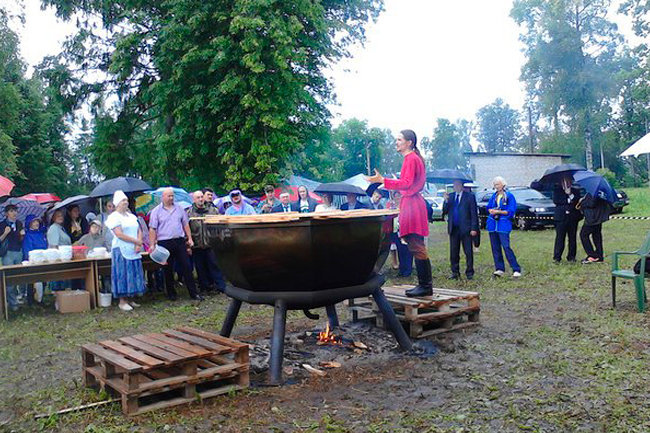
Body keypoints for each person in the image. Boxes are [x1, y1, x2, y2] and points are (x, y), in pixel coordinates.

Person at [366, 129, 432, 297]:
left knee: (416, 244)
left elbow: (406, 183)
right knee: (414, 243)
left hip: (412, 203)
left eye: (399, 139)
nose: (396, 142)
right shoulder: (411, 158)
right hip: (411, 202)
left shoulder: (411, 159)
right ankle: (425, 285)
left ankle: (425, 286)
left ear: (409, 142)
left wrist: (383, 181)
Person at [149, 187, 202, 301]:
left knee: (187, 267)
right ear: (163, 197)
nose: (171, 198)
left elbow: (185, 224)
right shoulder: (156, 211)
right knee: (167, 269)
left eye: (172, 196)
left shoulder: (179, 209)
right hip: (164, 242)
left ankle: (193, 293)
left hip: (179, 241)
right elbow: (152, 229)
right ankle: (171, 293)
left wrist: (190, 238)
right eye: (169, 196)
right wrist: (152, 244)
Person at [105, 190, 146, 311]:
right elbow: (119, 234)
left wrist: (139, 243)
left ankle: (131, 297)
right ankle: (122, 301)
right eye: (123, 200)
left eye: (126, 200)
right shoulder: (113, 217)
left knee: (133, 272)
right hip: (121, 248)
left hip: (133, 248)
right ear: (117, 203)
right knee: (123, 274)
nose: (125, 202)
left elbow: (139, 230)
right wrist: (135, 241)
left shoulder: (131, 216)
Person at [188, 190, 226, 292]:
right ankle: (205, 287)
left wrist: (220, 240)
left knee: (215, 266)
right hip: (197, 244)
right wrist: (188, 243)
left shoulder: (213, 210)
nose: (200, 199)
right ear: (194, 199)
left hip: (211, 243)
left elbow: (221, 226)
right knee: (200, 268)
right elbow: (186, 229)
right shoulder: (189, 212)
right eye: (198, 198)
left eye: (201, 197)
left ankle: (221, 287)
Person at [442, 179, 479, 280]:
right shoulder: (451, 196)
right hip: (454, 228)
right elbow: (445, 211)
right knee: (454, 252)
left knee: (468, 251)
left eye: (457, 185)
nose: (455, 187)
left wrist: (474, 228)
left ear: (462, 186)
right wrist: (445, 200)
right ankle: (455, 272)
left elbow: (474, 213)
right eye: (454, 185)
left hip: (466, 228)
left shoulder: (469, 197)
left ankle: (470, 272)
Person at [486, 176, 521, 277]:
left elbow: (510, 211)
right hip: (493, 224)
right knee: (495, 247)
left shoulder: (509, 196)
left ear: (503, 184)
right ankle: (499, 268)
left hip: (503, 225)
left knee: (506, 247)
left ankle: (516, 268)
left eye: (497, 184)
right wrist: (491, 211)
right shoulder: (494, 196)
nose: (496, 186)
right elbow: (488, 207)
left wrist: (498, 211)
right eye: (494, 185)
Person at [552, 176, 582, 263]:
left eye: (568, 181)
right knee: (560, 238)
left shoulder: (575, 190)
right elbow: (556, 201)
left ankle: (571, 257)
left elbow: (577, 201)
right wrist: (566, 197)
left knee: (572, 238)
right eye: (564, 181)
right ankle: (557, 257)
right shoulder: (557, 190)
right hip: (561, 217)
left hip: (572, 217)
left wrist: (570, 194)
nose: (566, 183)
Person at [0, 204, 25, 311]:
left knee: (18, 277)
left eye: (15, 211)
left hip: (18, 252)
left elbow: (20, 240)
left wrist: (22, 235)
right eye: (11, 211)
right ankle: (12, 303)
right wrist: (5, 233)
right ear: (6, 213)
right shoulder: (2, 225)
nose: (14, 213)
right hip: (8, 253)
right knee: (9, 278)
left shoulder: (19, 223)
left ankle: (18, 297)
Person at [578, 192, 611, 263]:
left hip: (592, 218)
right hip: (598, 217)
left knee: (583, 235)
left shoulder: (593, 192)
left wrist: (581, 201)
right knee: (596, 236)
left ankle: (592, 255)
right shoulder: (600, 192)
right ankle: (599, 255)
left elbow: (591, 203)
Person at [22, 215, 47, 303]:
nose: (36, 223)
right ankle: (31, 300)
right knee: (32, 281)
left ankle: (40, 298)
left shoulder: (41, 233)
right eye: (34, 222)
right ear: (29, 224)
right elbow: (27, 250)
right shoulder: (28, 235)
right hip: (33, 261)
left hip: (43, 260)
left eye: (37, 221)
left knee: (43, 280)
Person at [47, 209, 72, 292]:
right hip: (58, 260)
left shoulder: (61, 228)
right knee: (58, 285)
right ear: (53, 218)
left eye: (61, 215)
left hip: (65, 258)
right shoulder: (53, 228)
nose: (60, 217)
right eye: (58, 216)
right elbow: (54, 246)